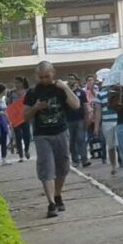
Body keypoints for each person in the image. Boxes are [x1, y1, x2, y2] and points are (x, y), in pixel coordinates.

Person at [23, 61, 82, 218]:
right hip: (42, 135)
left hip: (61, 132)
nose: (44, 80)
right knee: (47, 167)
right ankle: (51, 203)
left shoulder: (59, 89)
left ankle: (57, 194)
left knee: (62, 166)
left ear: (53, 73)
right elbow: (25, 116)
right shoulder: (32, 92)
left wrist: (65, 87)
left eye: (47, 76)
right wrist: (35, 108)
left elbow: (76, 105)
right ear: (36, 76)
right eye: (41, 77)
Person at [93, 83, 121, 176]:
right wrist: (96, 127)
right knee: (111, 146)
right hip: (107, 122)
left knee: (121, 144)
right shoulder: (100, 94)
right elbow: (98, 111)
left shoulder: (120, 91)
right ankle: (113, 165)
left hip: (119, 120)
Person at [65, 73, 91, 167]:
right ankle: (75, 160)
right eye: (69, 79)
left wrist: (87, 118)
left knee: (81, 139)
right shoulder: (65, 92)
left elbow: (85, 106)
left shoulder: (81, 92)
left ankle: (84, 159)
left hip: (80, 119)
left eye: (72, 78)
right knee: (71, 141)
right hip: (68, 120)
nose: (70, 80)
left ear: (76, 80)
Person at [9, 77, 32, 161]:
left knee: (27, 134)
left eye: (18, 82)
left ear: (23, 83)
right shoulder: (12, 93)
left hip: (25, 115)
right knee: (18, 135)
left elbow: (31, 103)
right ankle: (21, 155)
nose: (17, 85)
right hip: (15, 117)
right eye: (15, 83)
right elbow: (9, 105)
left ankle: (27, 149)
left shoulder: (28, 92)